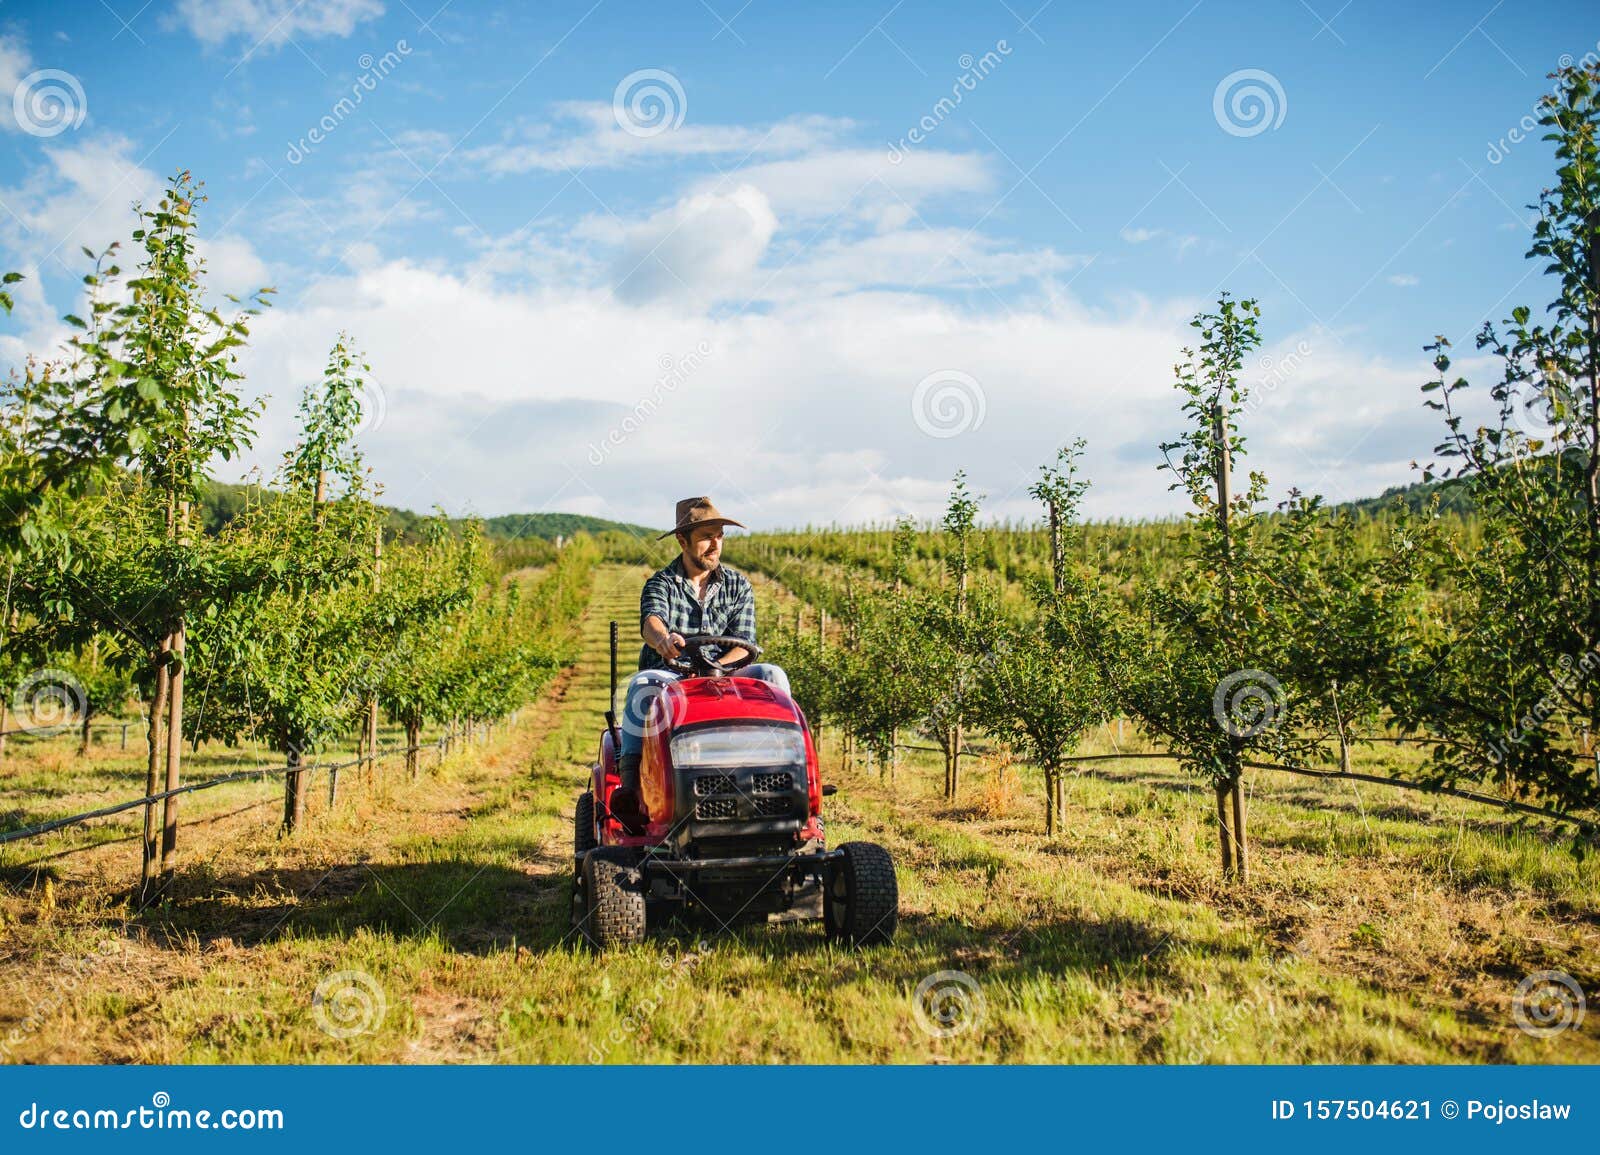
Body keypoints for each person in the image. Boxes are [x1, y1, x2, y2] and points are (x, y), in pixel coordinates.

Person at [608, 496, 790, 829]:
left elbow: (745, 644)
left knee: (772, 674)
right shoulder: (661, 583)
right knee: (641, 684)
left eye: (719, 535)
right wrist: (664, 641)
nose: (715, 544)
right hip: (671, 675)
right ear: (683, 540)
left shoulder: (738, 586)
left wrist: (718, 666)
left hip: (726, 675)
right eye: (706, 536)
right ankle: (630, 788)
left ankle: (779, 774)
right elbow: (652, 621)